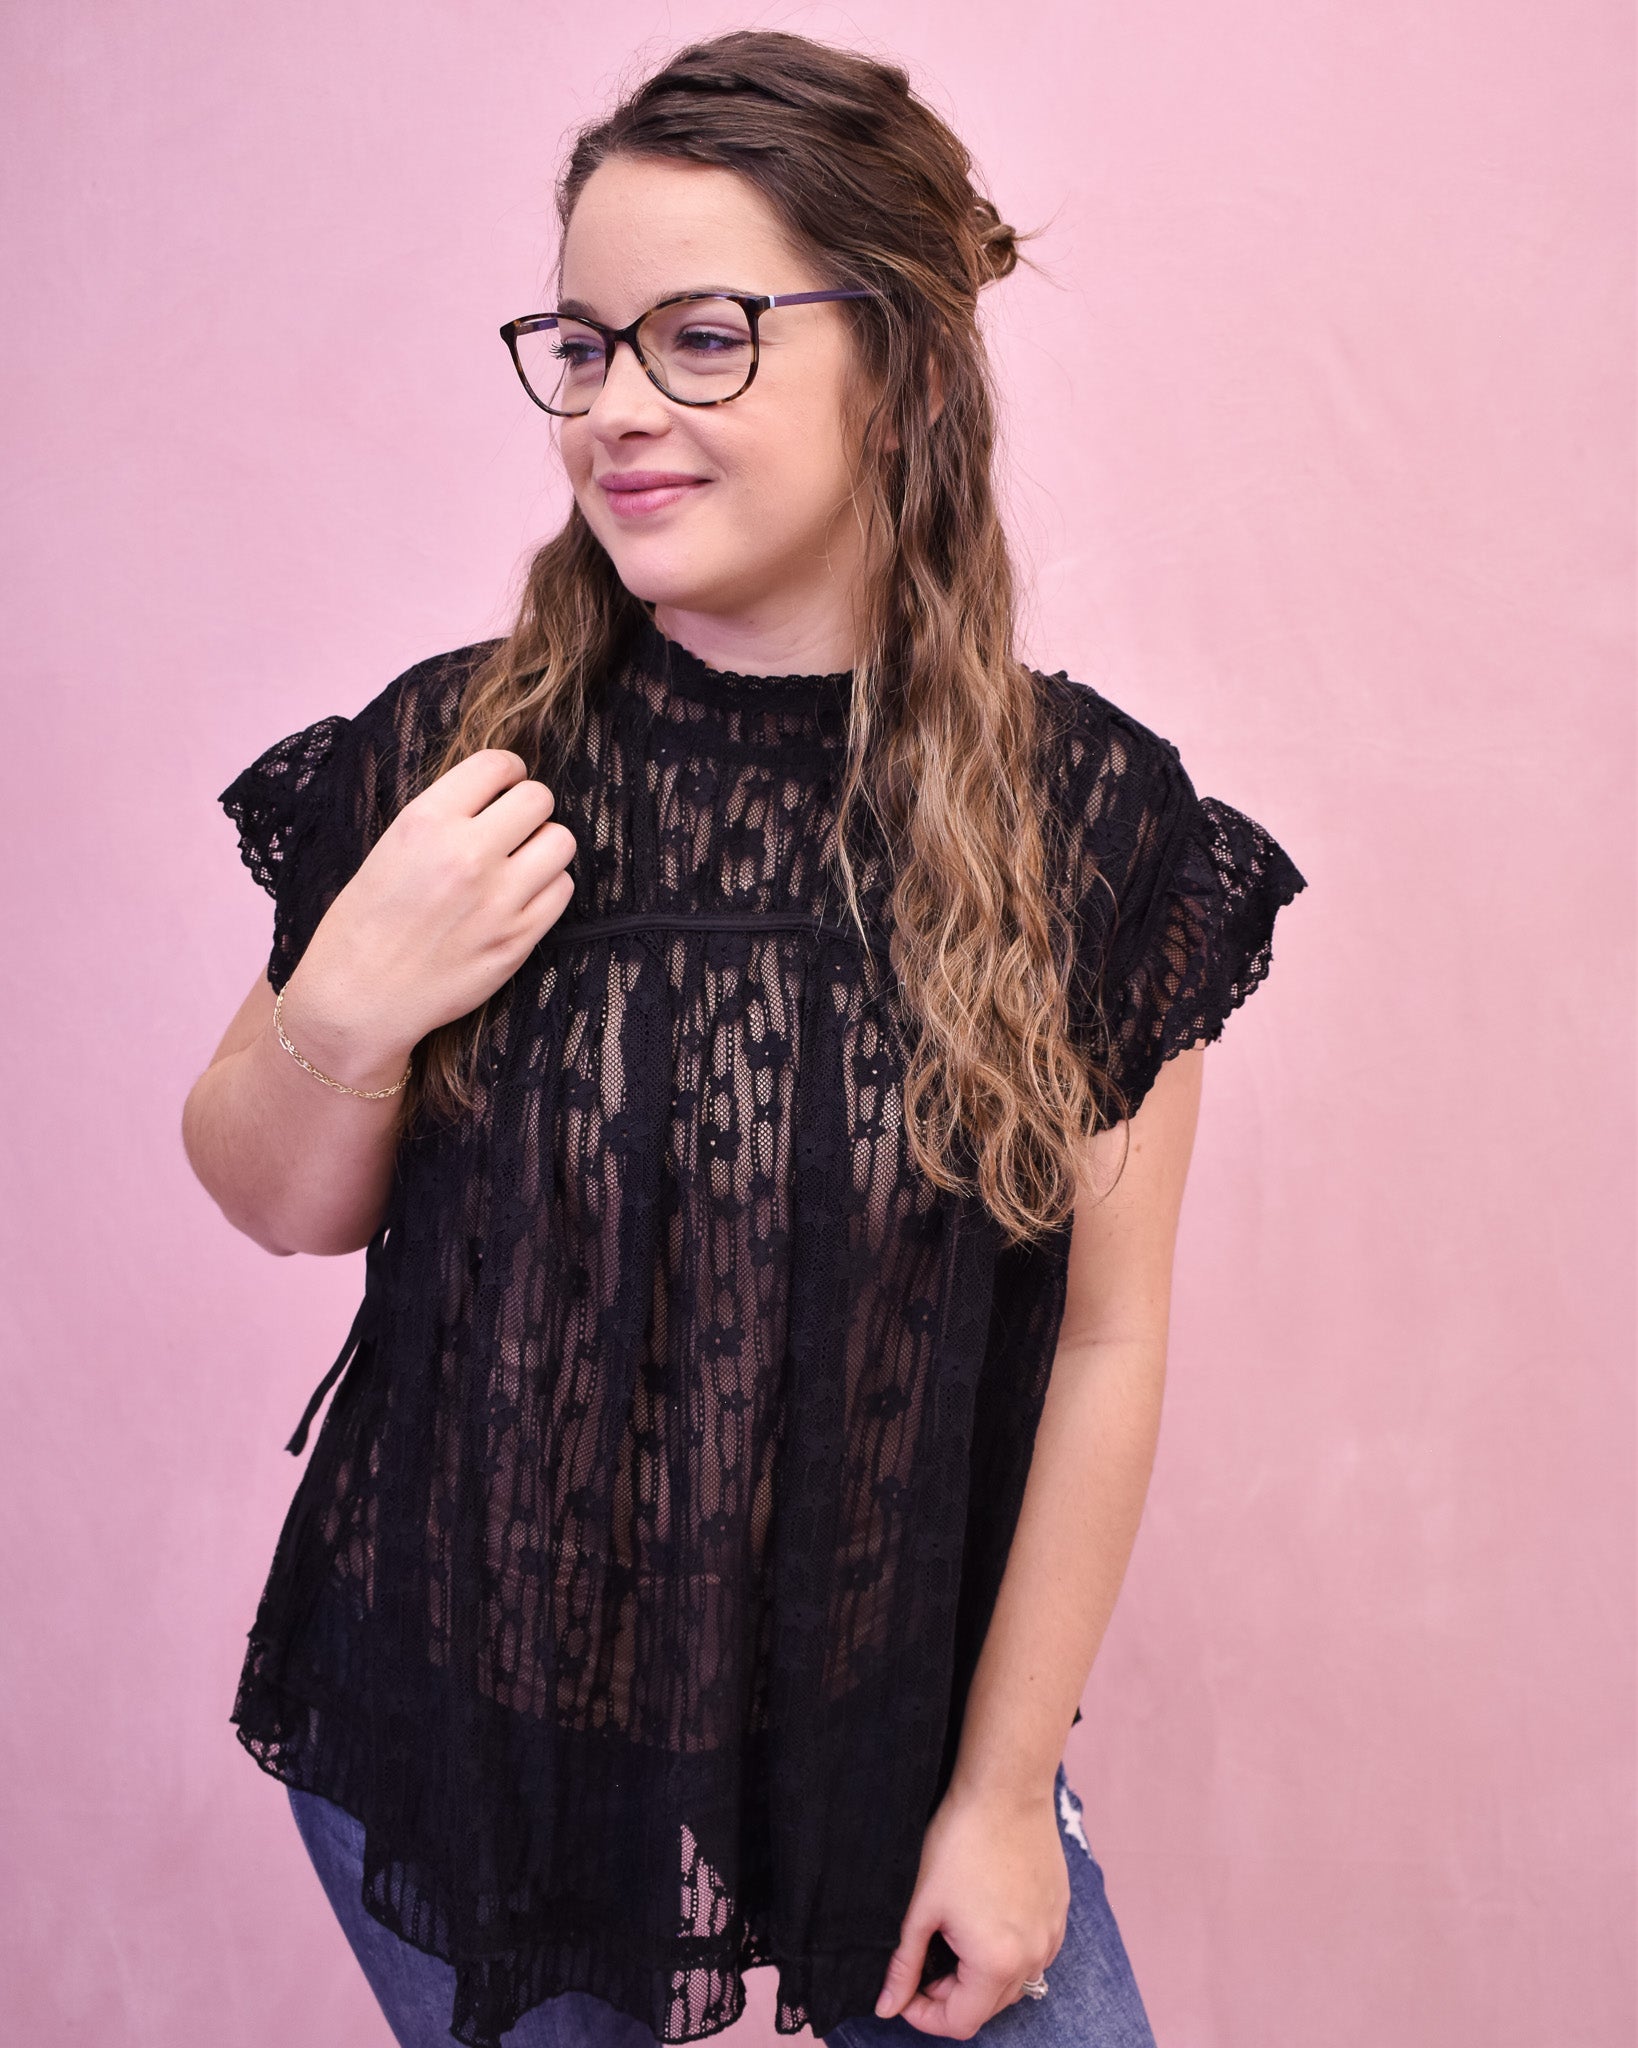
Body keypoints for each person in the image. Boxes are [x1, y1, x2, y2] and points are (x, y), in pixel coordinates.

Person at [183, 29, 1307, 2048]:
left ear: (904, 374)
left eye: (703, 338)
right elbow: (272, 1194)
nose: (616, 408)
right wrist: (344, 1003)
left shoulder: (1093, 822)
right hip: (472, 1729)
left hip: (892, 1744)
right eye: (583, 344)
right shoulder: (456, 759)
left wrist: (1000, 1792)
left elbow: (1109, 1338)